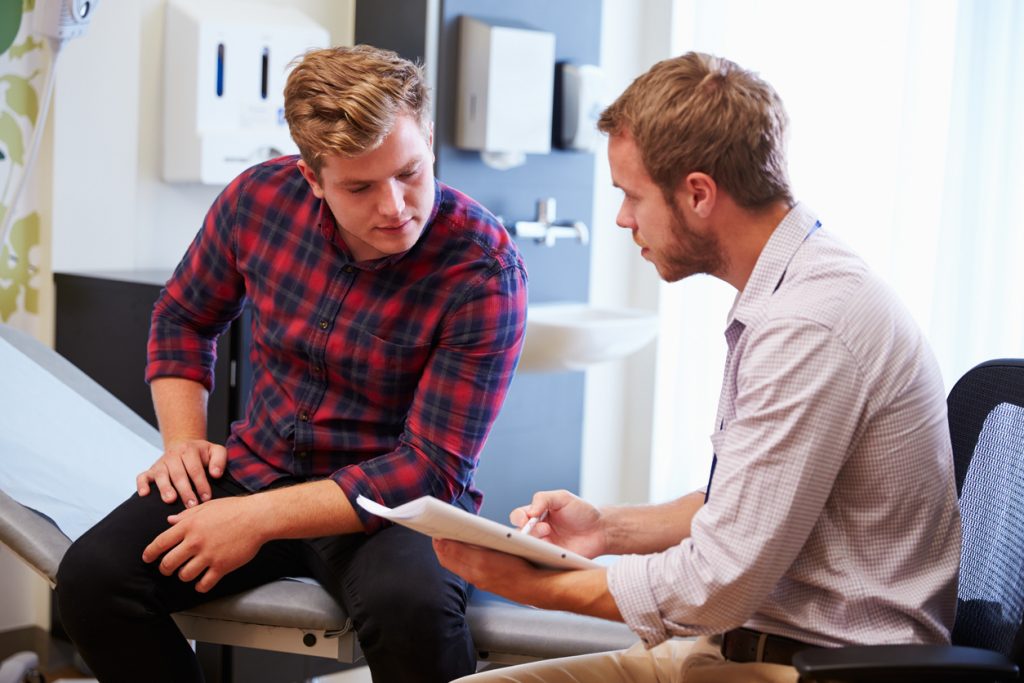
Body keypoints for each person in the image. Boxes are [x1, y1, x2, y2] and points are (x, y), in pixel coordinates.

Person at [434, 51, 961, 682]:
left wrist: (532, 585)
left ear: (699, 193)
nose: (623, 219)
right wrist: (605, 528)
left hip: (820, 669)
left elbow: (716, 583)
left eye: (632, 195)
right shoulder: (791, 287)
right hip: (744, 648)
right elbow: (743, 507)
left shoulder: (808, 324)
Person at [55, 45, 528, 683]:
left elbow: (431, 468)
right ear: (311, 176)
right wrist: (184, 444)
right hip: (258, 467)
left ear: (430, 142)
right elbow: (183, 316)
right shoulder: (260, 200)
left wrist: (252, 520)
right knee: (92, 582)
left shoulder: (484, 269)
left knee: (411, 607)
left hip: (390, 507)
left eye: (411, 172)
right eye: (359, 186)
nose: (395, 207)